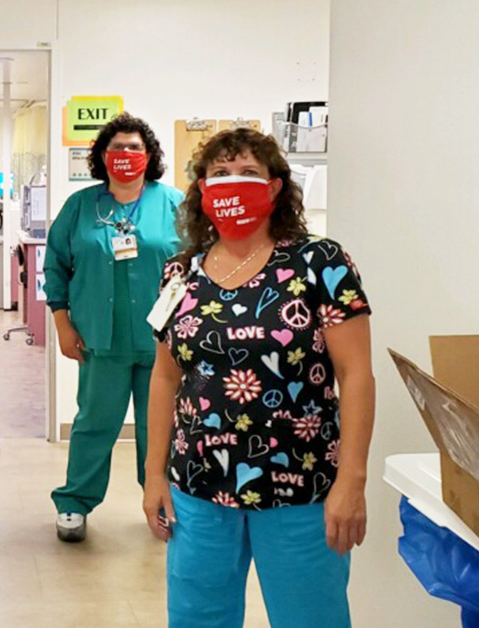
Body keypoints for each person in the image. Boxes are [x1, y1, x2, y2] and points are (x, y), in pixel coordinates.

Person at [144, 128, 375, 628]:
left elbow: (356, 375)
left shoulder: (320, 264)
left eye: (248, 173)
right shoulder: (180, 273)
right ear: (201, 191)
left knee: (310, 618)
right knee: (196, 618)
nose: (233, 184)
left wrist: (352, 481)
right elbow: (165, 378)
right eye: (220, 174)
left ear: (275, 187)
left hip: (301, 489)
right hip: (198, 488)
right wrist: (153, 474)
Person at [44, 113, 184, 543]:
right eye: (117, 148)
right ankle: (74, 503)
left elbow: (202, 264)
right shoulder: (81, 206)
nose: (125, 155)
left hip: (164, 343)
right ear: (103, 156)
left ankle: (166, 502)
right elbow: (55, 267)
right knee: (94, 424)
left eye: (134, 148)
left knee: (160, 427)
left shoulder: (174, 203)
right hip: (100, 340)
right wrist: (63, 325)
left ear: (150, 155)